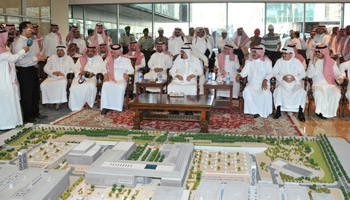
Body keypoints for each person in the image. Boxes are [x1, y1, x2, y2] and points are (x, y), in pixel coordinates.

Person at [13, 21, 47, 123]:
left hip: (32, 68)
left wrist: (38, 57)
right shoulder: (19, 43)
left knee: (34, 93)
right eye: (30, 29)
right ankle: (28, 118)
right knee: (27, 95)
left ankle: (35, 113)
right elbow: (20, 60)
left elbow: (32, 54)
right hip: (24, 71)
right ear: (23, 30)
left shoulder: (29, 40)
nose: (32, 31)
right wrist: (36, 59)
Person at [0, 29, 29, 129]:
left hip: (7, 78)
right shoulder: (1, 51)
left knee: (11, 100)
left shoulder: (3, 49)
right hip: (4, 80)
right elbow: (13, 58)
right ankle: (7, 123)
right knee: (7, 101)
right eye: (5, 36)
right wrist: (24, 50)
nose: (7, 38)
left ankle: (13, 121)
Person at [306, 44, 343, 119]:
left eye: (319, 52)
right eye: (316, 51)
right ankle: (320, 112)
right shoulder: (313, 61)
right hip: (317, 84)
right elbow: (309, 75)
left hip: (329, 84)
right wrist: (313, 63)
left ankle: (329, 112)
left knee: (336, 93)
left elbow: (337, 73)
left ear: (324, 52)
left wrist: (340, 78)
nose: (317, 53)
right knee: (319, 93)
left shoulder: (331, 62)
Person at [235, 46, 273, 118]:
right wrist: (239, 75)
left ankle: (261, 111)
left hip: (263, 83)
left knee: (265, 93)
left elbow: (271, 73)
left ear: (260, 53)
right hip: (252, 83)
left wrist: (265, 80)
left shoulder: (267, 62)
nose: (253, 53)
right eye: (253, 52)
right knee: (247, 90)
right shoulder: (249, 62)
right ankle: (253, 111)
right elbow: (244, 72)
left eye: (255, 52)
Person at [272, 47, 307, 122]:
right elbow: (274, 72)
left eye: (285, 53)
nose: (283, 55)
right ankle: (278, 110)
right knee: (279, 90)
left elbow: (303, 73)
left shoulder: (297, 62)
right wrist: (282, 77)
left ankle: (300, 112)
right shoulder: (279, 61)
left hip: (295, 83)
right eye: (283, 53)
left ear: (291, 54)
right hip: (283, 83)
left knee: (301, 91)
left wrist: (295, 78)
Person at [69, 44, 106, 111]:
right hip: (80, 77)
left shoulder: (99, 58)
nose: (90, 53)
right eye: (88, 51)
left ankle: (88, 103)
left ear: (95, 52)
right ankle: (76, 105)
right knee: (73, 87)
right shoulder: (81, 58)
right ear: (86, 51)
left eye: (92, 51)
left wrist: (93, 73)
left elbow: (102, 69)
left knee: (91, 86)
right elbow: (75, 69)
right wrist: (81, 72)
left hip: (93, 78)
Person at [101, 44, 134, 114]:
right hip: (110, 78)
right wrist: (105, 74)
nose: (113, 54)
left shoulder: (126, 60)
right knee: (105, 85)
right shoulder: (108, 59)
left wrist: (126, 73)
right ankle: (105, 106)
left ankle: (117, 107)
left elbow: (132, 70)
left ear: (119, 52)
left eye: (115, 53)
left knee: (120, 87)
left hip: (121, 79)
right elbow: (103, 68)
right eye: (112, 53)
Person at [40, 46, 75, 110]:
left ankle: (58, 102)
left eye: (61, 50)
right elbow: (45, 68)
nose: (59, 52)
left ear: (64, 51)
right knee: (43, 84)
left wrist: (64, 73)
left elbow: (73, 69)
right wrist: (52, 72)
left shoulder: (69, 59)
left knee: (62, 82)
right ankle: (50, 100)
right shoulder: (52, 58)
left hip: (63, 77)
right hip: (52, 77)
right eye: (58, 50)